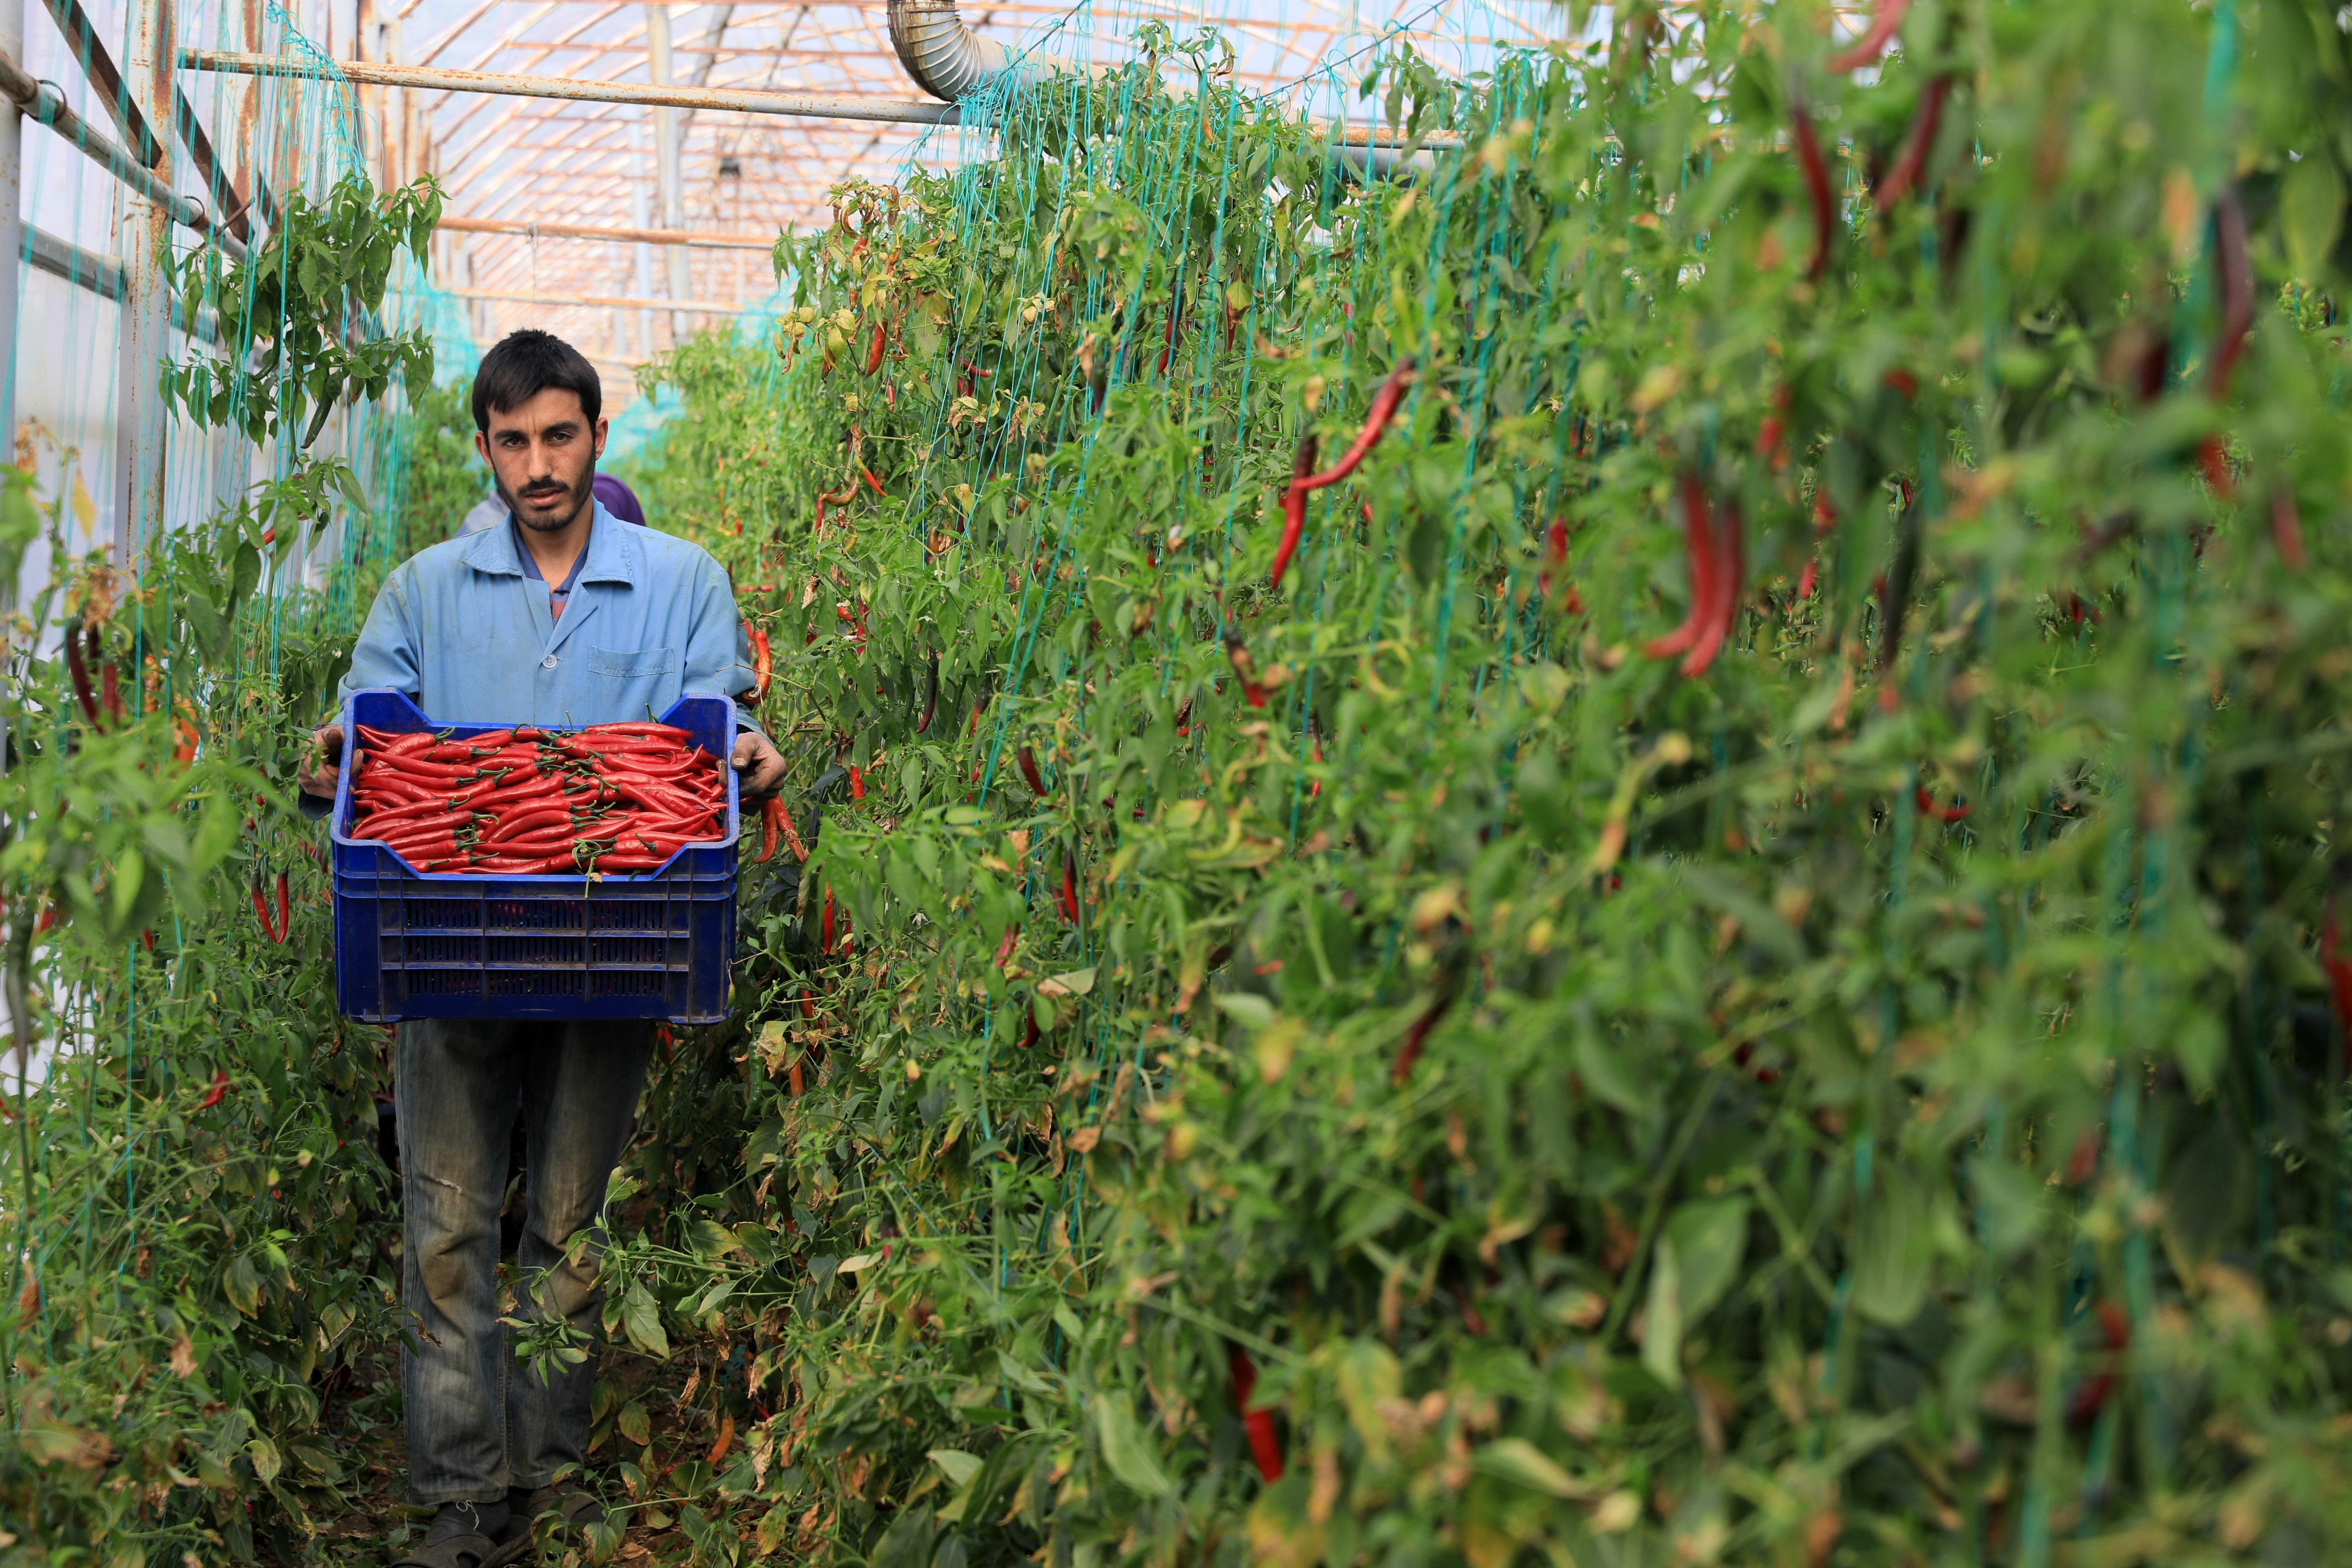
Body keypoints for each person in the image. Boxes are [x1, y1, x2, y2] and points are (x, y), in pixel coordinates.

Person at [295, 329, 784, 1568]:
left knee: (570, 1228)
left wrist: (747, 755)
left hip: (610, 948)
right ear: (485, 450)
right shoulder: (421, 590)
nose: (536, 463)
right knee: (448, 1229)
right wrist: (333, 760)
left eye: (558, 435)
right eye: (511, 441)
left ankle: (553, 1480)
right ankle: (463, 1495)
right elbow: (372, 742)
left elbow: (703, 742)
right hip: (445, 944)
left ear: (596, 439)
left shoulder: (683, 583)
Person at [457, 474, 645, 538]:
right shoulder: (483, 531)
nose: (538, 472)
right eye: (514, 442)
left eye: (560, 437)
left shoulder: (607, 493)